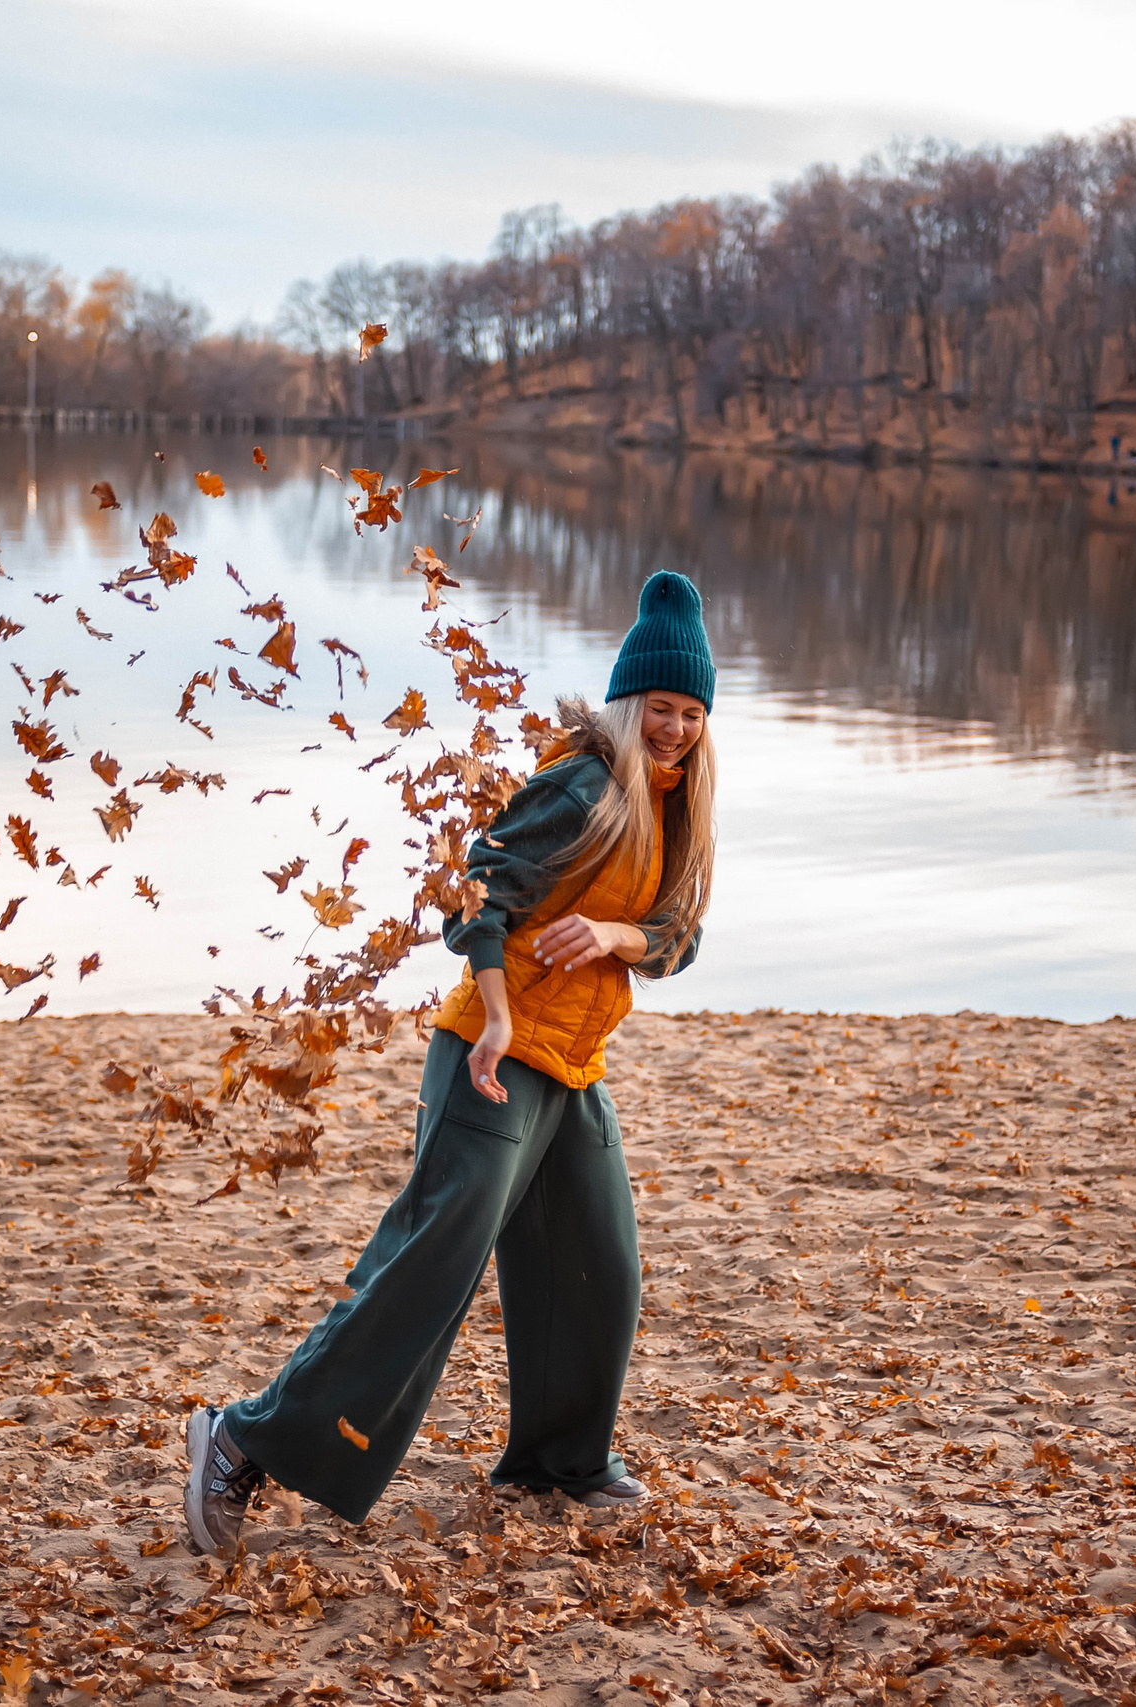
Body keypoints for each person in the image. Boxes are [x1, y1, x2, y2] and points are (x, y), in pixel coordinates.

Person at [183, 570, 720, 1556]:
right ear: (627, 700)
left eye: (690, 712)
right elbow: (471, 893)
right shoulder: (588, 781)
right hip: (494, 1050)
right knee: (431, 1264)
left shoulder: (678, 804)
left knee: (598, 1265)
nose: (676, 726)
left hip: (572, 1064)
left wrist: (613, 938)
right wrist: (499, 1017)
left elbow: (680, 935)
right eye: (660, 706)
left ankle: (559, 1463)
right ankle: (241, 1440)